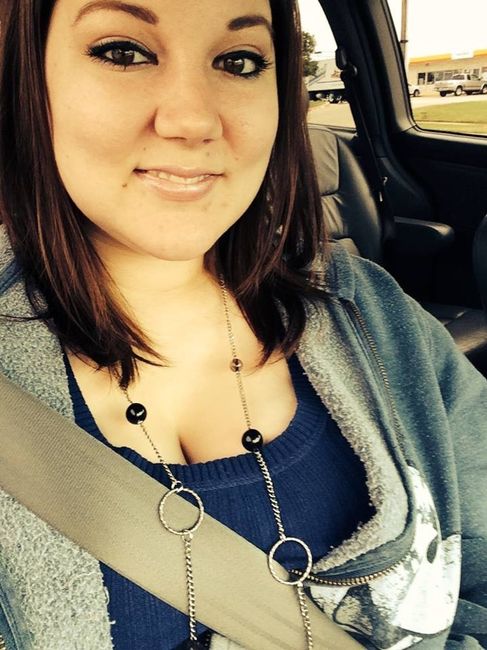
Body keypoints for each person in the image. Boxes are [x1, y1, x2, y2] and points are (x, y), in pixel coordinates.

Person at [0, 0, 486, 648]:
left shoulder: (372, 314)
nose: (194, 120)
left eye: (238, 61)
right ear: (29, 78)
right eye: (123, 52)